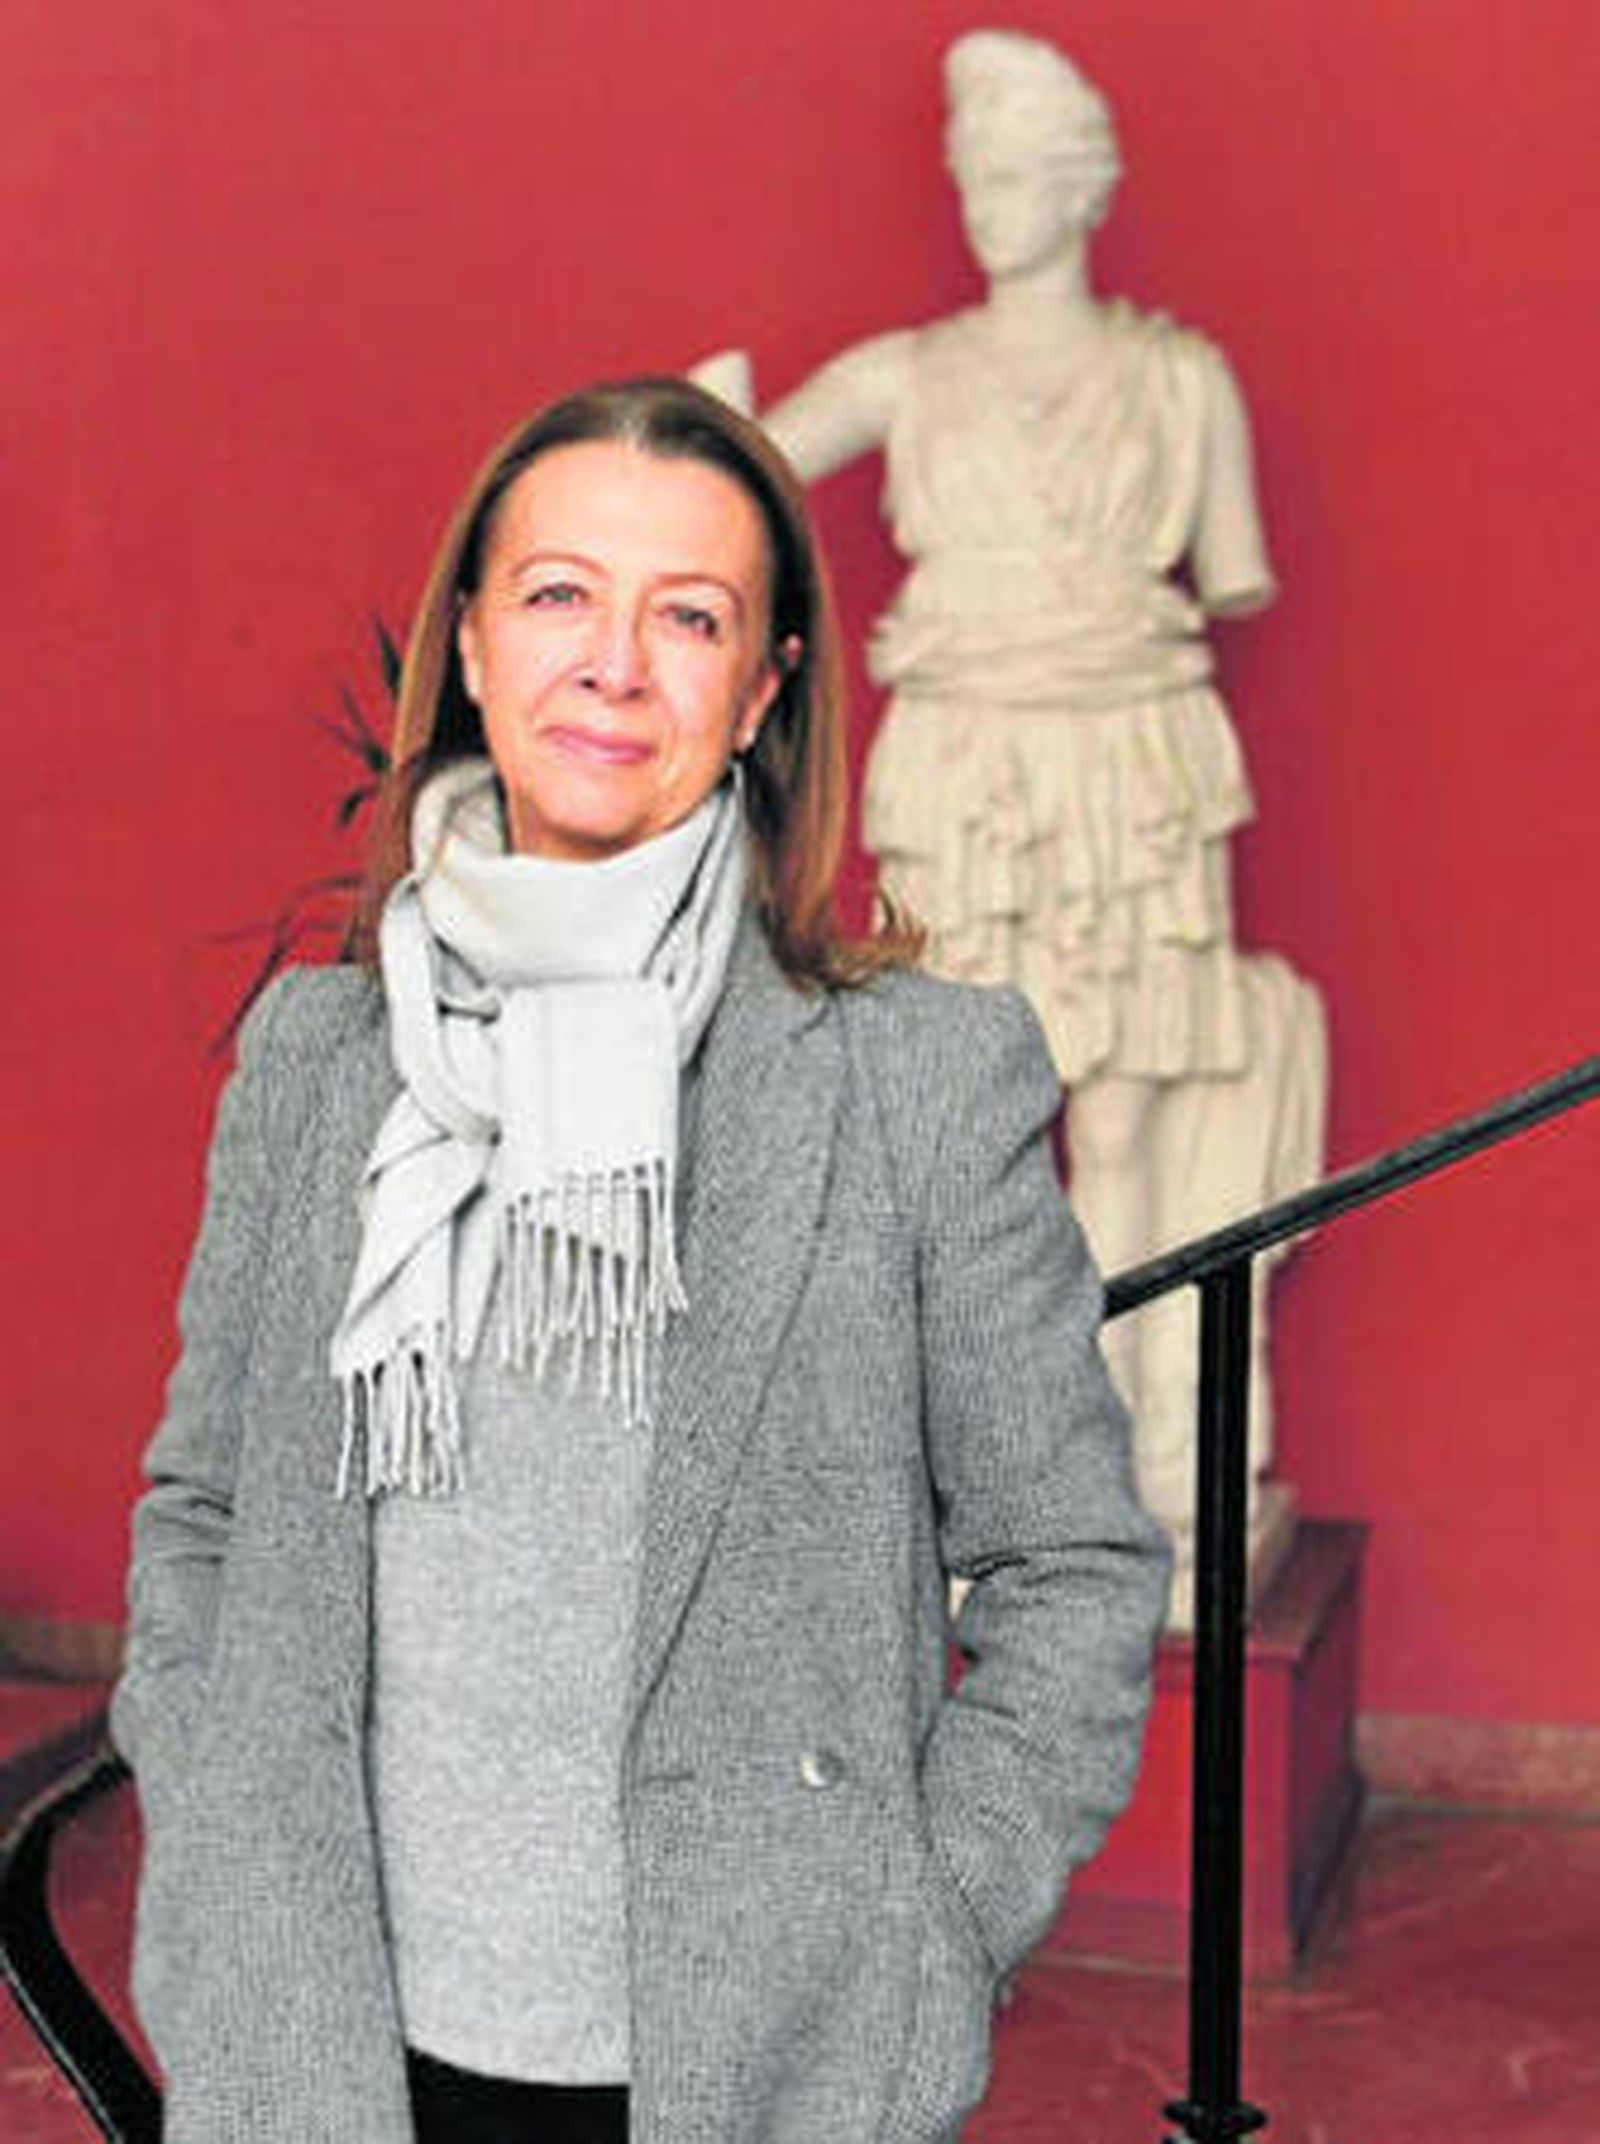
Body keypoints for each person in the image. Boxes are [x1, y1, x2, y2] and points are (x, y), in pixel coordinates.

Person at [111, 375, 1170, 2144]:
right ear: (471, 642)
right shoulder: (318, 1062)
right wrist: (217, 1835)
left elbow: (1071, 1567)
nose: (612, 665)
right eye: (559, 595)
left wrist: (925, 1937)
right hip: (324, 2041)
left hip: (757, 2060)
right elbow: (205, 1509)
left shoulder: (915, 1079)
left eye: (688, 617)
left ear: (760, 693)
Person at [708, 29, 1324, 1549]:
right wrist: (694, 417)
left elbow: (1232, 566)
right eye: (970, 175)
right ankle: (997, 1466)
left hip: (1130, 758)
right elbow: (736, 463)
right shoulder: (908, 376)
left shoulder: (1181, 384)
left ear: (1081, 185)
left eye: (1015, 173)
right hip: (972, 756)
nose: (988, 202)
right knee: (971, 1119)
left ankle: (1112, 1466)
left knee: (1124, 1128)